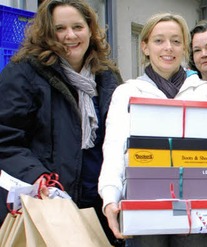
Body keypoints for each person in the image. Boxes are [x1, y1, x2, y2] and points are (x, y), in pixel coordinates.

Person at [97, 13, 207, 246]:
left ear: (184, 47)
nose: (168, 48)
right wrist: (110, 197)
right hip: (142, 207)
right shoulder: (127, 93)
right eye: (159, 40)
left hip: (197, 205)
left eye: (176, 41)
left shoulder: (206, 93)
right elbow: (114, 150)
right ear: (145, 46)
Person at [0, 0, 123, 245]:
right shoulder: (24, 73)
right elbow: (5, 138)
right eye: (59, 28)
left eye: (77, 26)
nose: (70, 35)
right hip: (49, 204)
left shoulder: (107, 76)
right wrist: (37, 176)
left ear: (90, 30)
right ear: (46, 32)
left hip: (100, 203)